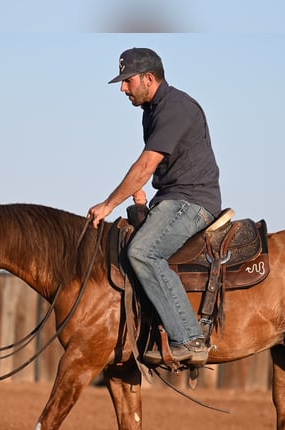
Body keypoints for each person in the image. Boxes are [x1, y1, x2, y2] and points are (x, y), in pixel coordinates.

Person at [88, 48, 222, 366]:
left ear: (149, 78)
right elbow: (158, 167)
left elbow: (147, 164)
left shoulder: (175, 108)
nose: (123, 88)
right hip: (172, 197)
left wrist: (109, 204)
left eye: (128, 81)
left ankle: (189, 340)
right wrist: (142, 196)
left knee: (142, 253)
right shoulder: (152, 110)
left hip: (192, 201)